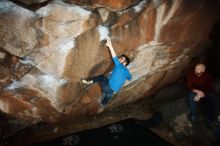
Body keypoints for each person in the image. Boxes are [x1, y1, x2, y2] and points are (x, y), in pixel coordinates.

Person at [81, 38, 132, 106]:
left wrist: (110, 46)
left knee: (101, 78)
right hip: (112, 93)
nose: (119, 59)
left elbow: (114, 57)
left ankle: (87, 83)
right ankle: (103, 104)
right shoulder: (127, 72)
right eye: (120, 58)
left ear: (125, 63)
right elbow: (130, 78)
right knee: (106, 98)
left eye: (121, 59)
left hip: (108, 87)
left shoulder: (119, 66)